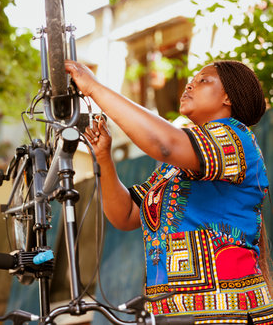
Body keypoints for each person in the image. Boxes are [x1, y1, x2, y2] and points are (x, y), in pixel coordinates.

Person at [65, 59, 273, 325]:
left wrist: (94, 88)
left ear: (228, 97)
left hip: (224, 311)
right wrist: (103, 157)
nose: (189, 84)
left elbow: (163, 143)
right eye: (193, 79)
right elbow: (126, 214)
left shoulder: (235, 137)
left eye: (203, 80)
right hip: (171, 313)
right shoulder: (173, 168)